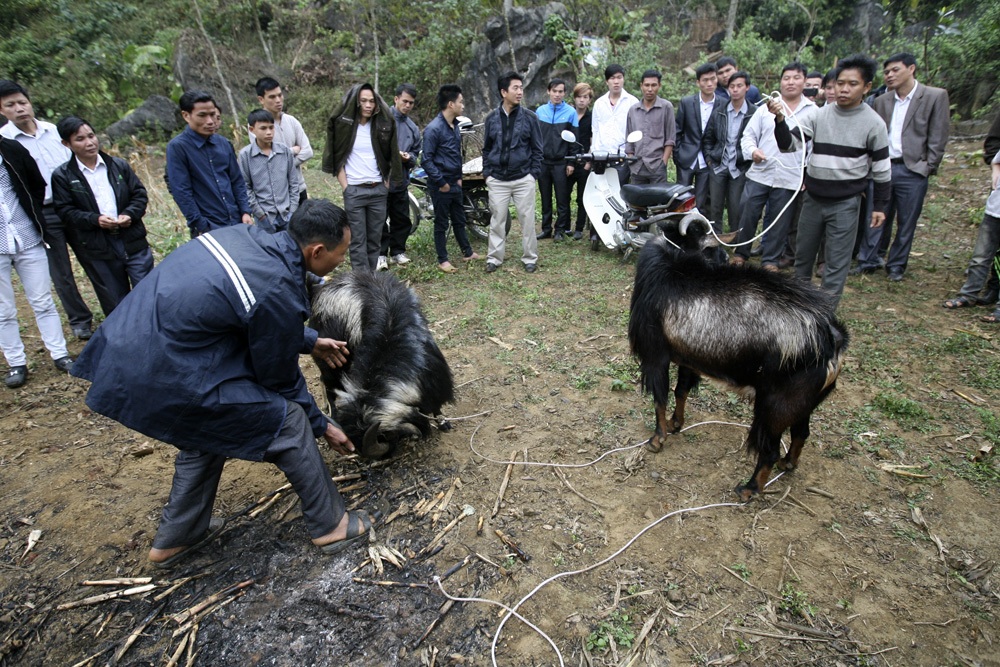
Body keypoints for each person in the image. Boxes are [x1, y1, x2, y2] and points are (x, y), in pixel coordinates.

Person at [72, 199, 373, 565]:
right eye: (340, 255)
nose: (341, 262)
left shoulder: (246, 238)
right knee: (289, 421)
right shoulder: (275, 285)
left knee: (205, 432)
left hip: (135, 349)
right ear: (317, 251)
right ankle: (331, 525)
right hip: (165, 370)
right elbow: (278, 376)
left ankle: (177, 538)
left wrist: (309, 340)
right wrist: (320, 423)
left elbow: (247, 313)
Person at [774, 55, 891, 309]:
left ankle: (824, 316)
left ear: (867, 87)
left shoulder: (874, 124)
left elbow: (882, 170)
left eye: (852, 84)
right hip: (813, 199)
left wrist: (880, 205)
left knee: (836, 265)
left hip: (845, 203)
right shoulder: (819, 115)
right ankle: (798, 311)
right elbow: (788, 144)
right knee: (803, 259)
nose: (844, 89)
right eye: (840, 83)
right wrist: (780, 120)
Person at [0, 80, 93, 340]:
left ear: (30, 102)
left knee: (94, 259)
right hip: (42, 213)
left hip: (74, 207)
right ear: (2, 111)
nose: (19, 109)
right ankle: (80, 320)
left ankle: (115, 308)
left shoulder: (54, 131)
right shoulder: (5, 142)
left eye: (22, 102)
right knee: (60, 271)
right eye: (10, 105)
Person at [853, 53, 950, 282]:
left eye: (895, 70)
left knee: (906, 220)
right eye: (887, 72)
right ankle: (868, 259)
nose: (889, 75)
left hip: (913, 170)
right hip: (883, 167)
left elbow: (939, 134)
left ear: (911, 69)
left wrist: (928, 166)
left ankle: (896, 265)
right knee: (876, 216)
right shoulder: (882, 101)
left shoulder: (934, 96)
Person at [51, 116, 153, 316]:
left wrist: (129, 214)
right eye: (80, 139)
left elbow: (139, 195)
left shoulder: (118, 166)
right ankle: (124, 338)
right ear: (67, 144)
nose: (89, 143)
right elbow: (65, 211)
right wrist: (94, 220)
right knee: (115, 299)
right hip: (98, 245)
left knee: (147, 290)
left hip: (132, 239)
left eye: (91, 136)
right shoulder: (63, 176)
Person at [0, 136, 74, 388]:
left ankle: (60, 354)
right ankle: (16, 363)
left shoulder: (11, 148)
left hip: (28, 236)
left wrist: (33, 215)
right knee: (3, 310)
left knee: (43, 301)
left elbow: (36, 184)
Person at [732, 62, 816, 269]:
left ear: (804, 81)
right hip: (760, 172)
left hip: (790, 176)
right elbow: (748, 136)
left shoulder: (813, 112)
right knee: (748, 213)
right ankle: (741, 252)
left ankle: (770, 259)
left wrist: (807, 176)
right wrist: (753, 152)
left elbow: (813, 148)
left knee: (780, 220)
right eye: (786, 78)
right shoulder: (764, 109)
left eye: (796, 78)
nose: (790, 82)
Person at [322, 83, 403, 273]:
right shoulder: (346, 126)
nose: (368, 105)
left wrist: (386, 182)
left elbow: (391, 153)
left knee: (375, 239)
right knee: (357, 240)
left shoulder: (381, 124)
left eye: (372, 101)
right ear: (356, 103)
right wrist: (345, 186)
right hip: (355, 190)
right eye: (363, 101)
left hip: (377, 189)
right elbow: (337, 155)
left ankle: (371, 278)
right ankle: (361, 282)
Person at [167, 90, 253, 238]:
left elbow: (236, 180)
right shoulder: (178, 147)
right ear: (186, 116)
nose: (210, 121)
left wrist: (245, 211)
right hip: (208, 226)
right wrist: (200, 224)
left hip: (237, 221)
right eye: (202, 115)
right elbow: (181, 191)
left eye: (212, 114)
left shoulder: (224, 144)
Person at [481, 71, 543, 274]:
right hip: (497, 179)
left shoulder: (530, 118)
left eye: (521, 88)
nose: (520, 92)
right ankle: (494, 258)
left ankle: (530, 258)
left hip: (523, 177)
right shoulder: (491, 119)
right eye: (515, 88)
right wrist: (488, 173)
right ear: (503, 92)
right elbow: (487, 148)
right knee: (497, 219)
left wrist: (532, 174)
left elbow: (537, 149)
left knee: (527, 220)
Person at [421, 84, 480, 273]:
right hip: (441, 185)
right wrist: (442, 183)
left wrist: (459, 178)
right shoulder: (433, 129)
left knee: (459, 218)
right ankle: (442, 260)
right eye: (460, 102)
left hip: (455, 182)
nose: (463, 105)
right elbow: (426, 160)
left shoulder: (455, 126)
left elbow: (455, 155)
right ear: (450, 104)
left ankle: (467, 252)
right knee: (441, 222)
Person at [942, 149, 1000, 322]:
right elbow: (996, 160)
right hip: (995, 211)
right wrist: (995, 175)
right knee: (980, 257)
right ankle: (968, 295)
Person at [702, 71, 758, 234]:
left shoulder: (753, 113)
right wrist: (710, 159)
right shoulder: (719, 111)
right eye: (731, 86)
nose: (735, 90)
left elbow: (758, 140)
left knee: (736, 206)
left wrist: (748, 163)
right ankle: (716, 238)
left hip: (739, 168)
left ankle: (736, 238)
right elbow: (708, 138)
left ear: (747, 87)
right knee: (715, 207)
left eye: (739, 86)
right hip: (719, 165)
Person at [381, 83, 422, 269]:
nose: (407, 105)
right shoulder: (381, 120)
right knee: (380, 219)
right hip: (381, 180)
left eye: (411, 103)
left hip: (401, 180)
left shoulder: (413, 128)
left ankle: (397, 251)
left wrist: (408, 157)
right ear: (396, 99)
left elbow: (415, 154)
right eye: (404, 101)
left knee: (401, 218)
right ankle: (381, 254)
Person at [238, 109, 300, 233]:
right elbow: (246, 187)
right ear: (252, 130)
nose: (268, 132)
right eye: (263, 128)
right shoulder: (245, 155)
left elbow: (293, 182)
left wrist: (292, 210)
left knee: (291, 246)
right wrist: (260, 214)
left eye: (271, 128)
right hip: (264, 216)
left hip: (287, 213)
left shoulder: (284, 151)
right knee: (269, 249)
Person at [255, 77, 313, 204]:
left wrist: (282, 164)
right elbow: (267, 160)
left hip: (299, 188)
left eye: (280, 95)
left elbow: (308, 151)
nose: (278, 100)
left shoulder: (291, 121)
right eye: (272, 97)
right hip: (276, 194)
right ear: (261, 99)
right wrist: (293, 150)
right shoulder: (256, 125)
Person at [675, 63, 723, 211]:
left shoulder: (723, 103)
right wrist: (677, 154)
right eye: (705, 80)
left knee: (701, 202)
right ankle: (679, 231)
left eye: (712, 79)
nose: (709, 83)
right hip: (686, 158)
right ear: (698, 82)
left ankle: (697, 230)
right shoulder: (687, 102)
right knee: (681, 199)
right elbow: (678, 130)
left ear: (717, 79)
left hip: (708, 160)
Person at [535, 78, 577, 242]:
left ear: (564, 93)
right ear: (548, 91)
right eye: (554, 91)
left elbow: (574, 140)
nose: (557, 94)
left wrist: (571, 162)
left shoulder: (570, 112)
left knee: (562, 198)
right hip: (543, 162)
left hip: (561, 162)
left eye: (560, 91)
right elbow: (535, 138)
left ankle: (560, 230)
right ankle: (546, 229)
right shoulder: (540, 111)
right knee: (545, 198)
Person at [625, 69, 675, 186]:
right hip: (637, 166)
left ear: (659, 86)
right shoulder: (633, 110)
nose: (650, 89)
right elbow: (629, 138)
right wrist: (631, 159)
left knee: (658, 202)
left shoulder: (666, 107)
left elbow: (670, 138)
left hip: (657, 165)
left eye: (654, 85)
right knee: (637, 202)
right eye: (647, 85)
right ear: (641, 86)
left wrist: (664, 162)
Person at [591, 64, 638, 185]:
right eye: (612, 78)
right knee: (601, 195)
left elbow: (636, 130)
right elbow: (595, 129)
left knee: (619, 195)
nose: (616, 82)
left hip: (622, 157)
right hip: (600, 157)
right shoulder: (599, 103)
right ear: (607, 81)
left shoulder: (632, 102)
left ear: (623, 79)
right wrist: (594, 152)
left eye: (619, 77)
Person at [568, 83, 593, 241]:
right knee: (564, 195)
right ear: (574, 98)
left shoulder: (592, 118)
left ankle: (579, 227)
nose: (582, 100)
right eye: (579, 97)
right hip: (570, 160)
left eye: (585, 97)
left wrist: (589, 161)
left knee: (582, 197)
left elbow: (594, 140)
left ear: (590, 100)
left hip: (585, 161)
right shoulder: (569, 115)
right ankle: (565, 225)